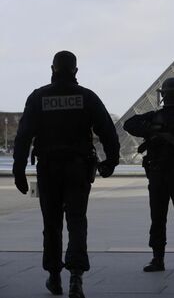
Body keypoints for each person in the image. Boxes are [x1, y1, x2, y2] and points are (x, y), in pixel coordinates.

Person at [12, 51, 120, 298]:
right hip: (78, 168)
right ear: (76, 71)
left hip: (48, 168)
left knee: (51, 224)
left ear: (52, 68)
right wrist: (111, 161)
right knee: (76, 221)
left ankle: (54, 277)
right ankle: (76, 277)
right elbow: (108, 132)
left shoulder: (38, 97)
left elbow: (23, 136)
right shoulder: (87, 97)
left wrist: (18, 168)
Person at [123, 77, 174, 273]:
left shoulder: (156, 117)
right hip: (173, 175)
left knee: (160, 218)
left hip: (163, 174)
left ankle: (159, 259)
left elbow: (129, 124)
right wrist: (155, 132)